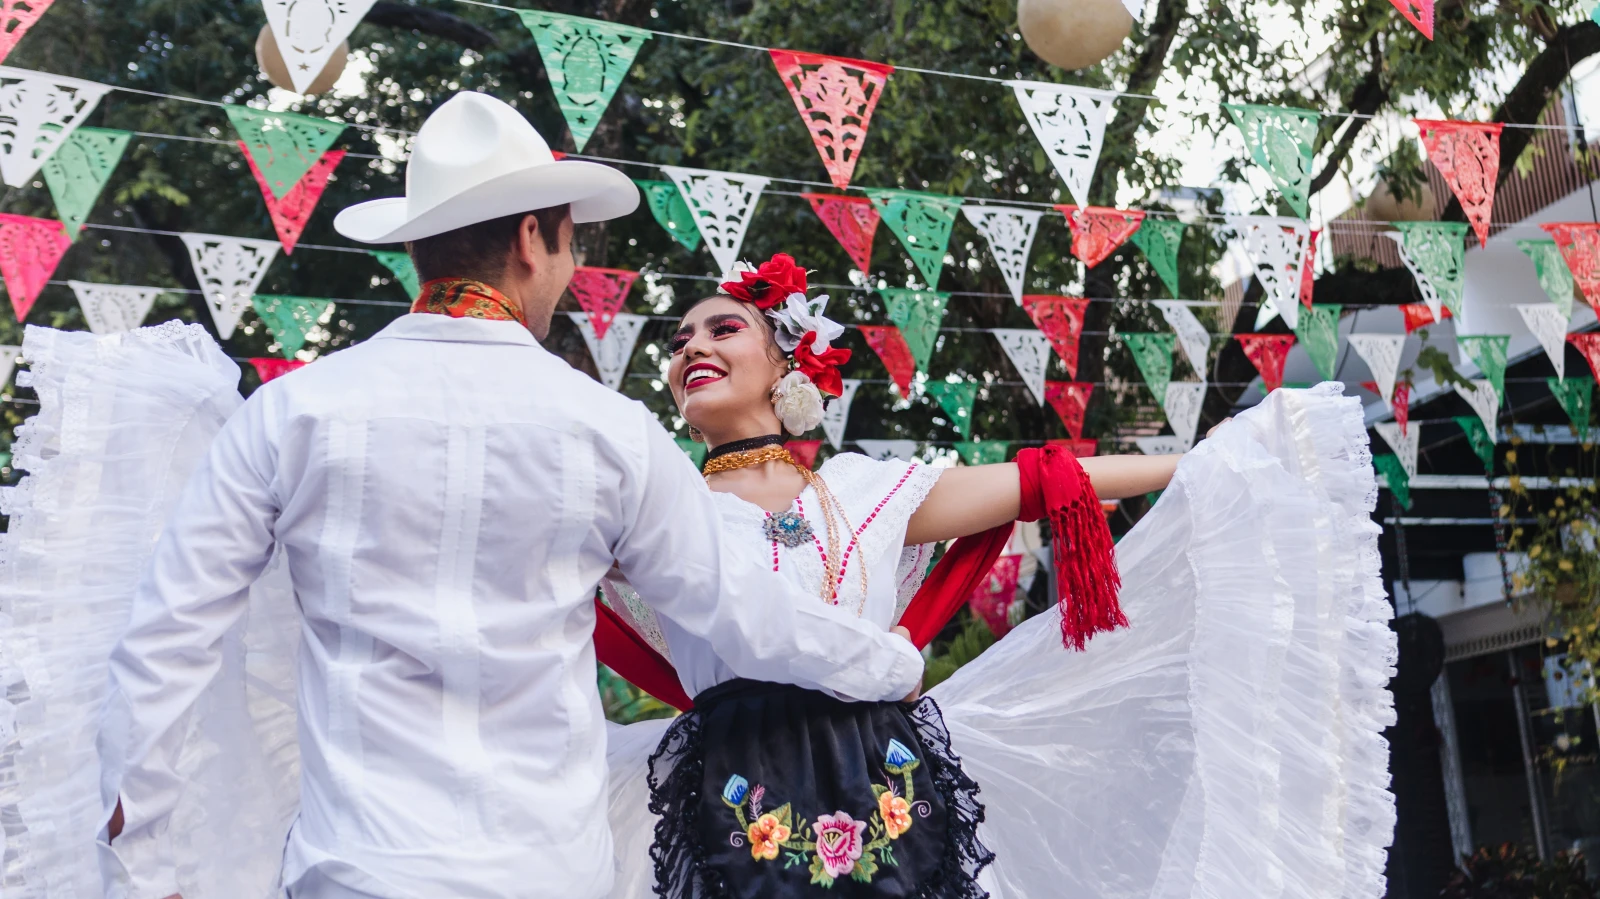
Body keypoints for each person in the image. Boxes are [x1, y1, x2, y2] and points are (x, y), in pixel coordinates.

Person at [0, 92, 930, 899]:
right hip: (546, 874)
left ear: (418, 247)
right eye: (572, 245)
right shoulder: (609, 432)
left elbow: (165, 641)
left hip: (359, 870)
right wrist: (889, 665)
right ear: (533, 237)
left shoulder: (293, 413)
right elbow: (742, 613)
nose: (571, 273)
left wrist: (145, 860)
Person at [594, 254, 1398, 898]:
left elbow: (1041, 479)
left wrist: (1204, 462)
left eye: (721, 328)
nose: (691, 347)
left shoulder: (864, 493)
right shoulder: (656, 510)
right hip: (730, 792)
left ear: (783, 364)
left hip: (884, 787)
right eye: (677, 342)